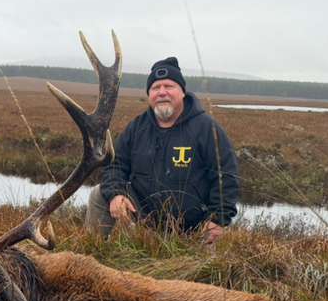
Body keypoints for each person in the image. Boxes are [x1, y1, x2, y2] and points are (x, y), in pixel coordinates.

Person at [85, 56, 239, 243]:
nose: (162, 92)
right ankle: (93, 249)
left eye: (169, 86)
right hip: (144, 220)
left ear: (182, 92)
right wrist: (116, 194)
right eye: (156, 88)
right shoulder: (137, 127)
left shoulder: (207, 128)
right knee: (99, 194)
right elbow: (116, 166)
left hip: (194, 227)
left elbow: (226, 176)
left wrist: (218, 219)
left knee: (204, 268)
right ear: (149, 95)